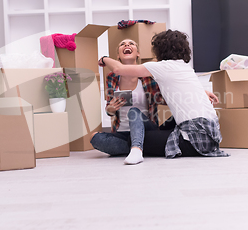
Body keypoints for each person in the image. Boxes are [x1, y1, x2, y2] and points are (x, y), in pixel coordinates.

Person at [97, 30, 229, 159]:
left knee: (135, 138)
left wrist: (104, 58)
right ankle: (137, 144)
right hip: (211, 137)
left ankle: (136, 149)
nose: (127, 46)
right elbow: (179, 90)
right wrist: (201, 92)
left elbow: (118, 69)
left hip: (195, 140)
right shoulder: (185, 67)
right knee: (150, 122)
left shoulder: (161, 67)